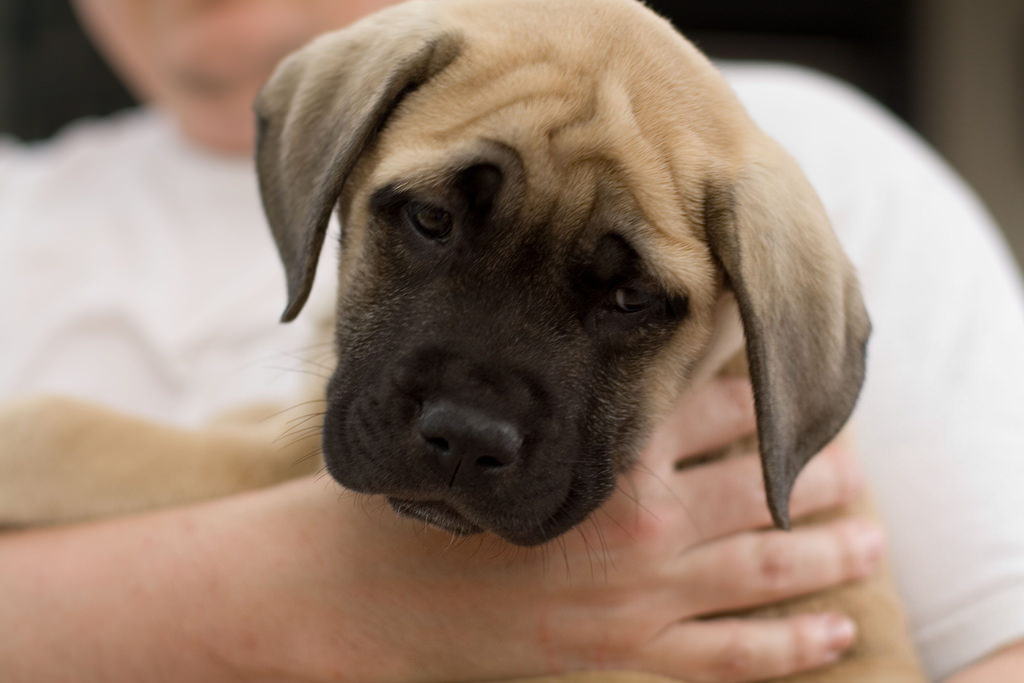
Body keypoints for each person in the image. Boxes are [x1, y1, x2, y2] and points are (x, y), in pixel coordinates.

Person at [0, 0, 1022, 681]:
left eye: (629, 302)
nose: (471, 414)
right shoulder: (25, 204)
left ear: (743, 318)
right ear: (325, 180)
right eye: (430, 224)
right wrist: (298, 595)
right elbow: (257, 474)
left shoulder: (818, 165)